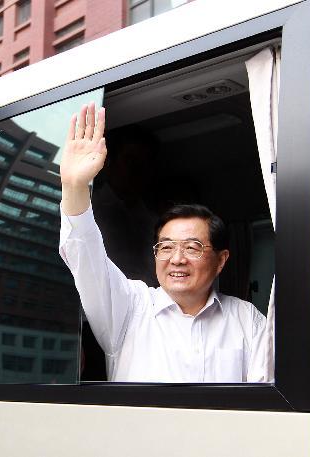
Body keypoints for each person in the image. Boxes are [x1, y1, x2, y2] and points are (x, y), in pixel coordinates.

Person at [59, 102, 270, 382]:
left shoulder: (248, 320)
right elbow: (85, 254)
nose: (177, 259)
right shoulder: (130, 309)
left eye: (192, 247)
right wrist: (74, 188)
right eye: (166, 247)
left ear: (221, 260)